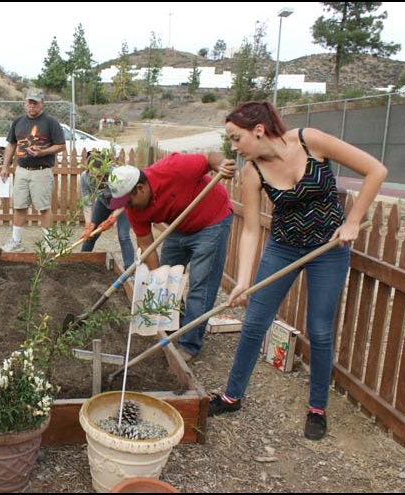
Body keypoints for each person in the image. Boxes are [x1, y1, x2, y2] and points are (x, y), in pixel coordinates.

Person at [210, 101, 388, 441]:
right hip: (283, 247)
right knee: (254, 321)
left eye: (236, 138)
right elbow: (249, 230)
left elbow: (376, 170)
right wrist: (245, 281)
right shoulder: (252, 173)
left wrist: (352, 221)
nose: (233, 147)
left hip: (329, 249)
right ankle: (232, 396)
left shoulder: (310, 140)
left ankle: (317, 408)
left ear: (258, 130)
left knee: (319, 331)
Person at [106, 153, 237, 362]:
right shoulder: (135, 209)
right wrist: (158, 278)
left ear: (140, 188)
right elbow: (146, 245)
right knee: (167, 277)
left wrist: (222, 164)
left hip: (212, 221)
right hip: (179, 226)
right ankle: (175, 325)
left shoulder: (174, 167)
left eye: (128, 202)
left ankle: (189, 344)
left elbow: (210, 159)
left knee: (200, 285)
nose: (127, 207)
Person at [0, 88, 66, 252]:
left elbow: (61, 146)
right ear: (25, 103)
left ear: (42, 103)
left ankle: (49, 243)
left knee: (43, 208)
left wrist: (43, 152)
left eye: (35, 102)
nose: (32, 105)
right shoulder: (18, 122)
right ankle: (16, 241)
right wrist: (5, 166)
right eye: (29, 102)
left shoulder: (51, 122)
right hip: (21, 170)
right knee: (19, 206)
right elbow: (11, 144)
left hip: (42, 171)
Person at [78, 160, 135, 269]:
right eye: (94, 176)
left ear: (106, 171)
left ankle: (129, 270)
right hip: (103, 202)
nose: (98, 180)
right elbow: (87, 203)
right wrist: (88, 224)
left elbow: (127, 198)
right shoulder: (84, 177)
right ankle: (81, 261)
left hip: (123, 204)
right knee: (91, 234)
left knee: (123, 236)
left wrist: (112, 218)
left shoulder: (116, 176)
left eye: (100, 176)